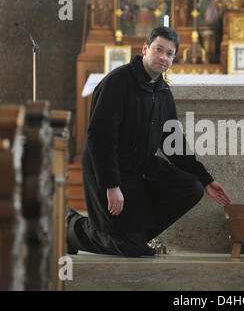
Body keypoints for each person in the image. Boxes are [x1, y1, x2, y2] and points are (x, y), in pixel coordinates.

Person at [67, 27, 231, 257]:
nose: (163, 57)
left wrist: (206, 180)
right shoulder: (118, 82)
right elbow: (99, 138)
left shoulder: (162, 91)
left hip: (138, 174)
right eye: (158, 50)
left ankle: (135, 235)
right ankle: (70, 226)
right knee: (130, 248)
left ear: (174, 59)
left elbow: (174, 143)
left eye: (169, 54)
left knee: (191, 188)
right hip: (106, 170)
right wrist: (111, 185)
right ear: (145, 49)